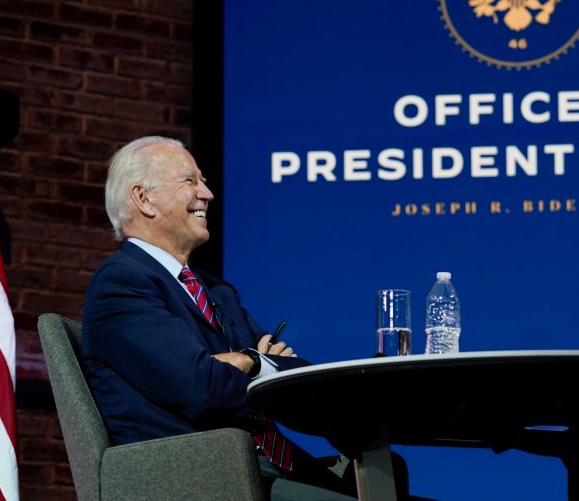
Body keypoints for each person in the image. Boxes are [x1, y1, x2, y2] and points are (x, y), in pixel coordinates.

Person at [82, 136, 393, 498]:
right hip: (206, 478)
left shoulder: (216, 291)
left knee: (388, 478)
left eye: (204, 182)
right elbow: (203, 388)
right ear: (143, 198)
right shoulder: (122, 283)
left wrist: (250, 363)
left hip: (274, 467)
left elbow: (283, 376)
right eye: (190, 181)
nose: (207, 194)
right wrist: (253, 359)